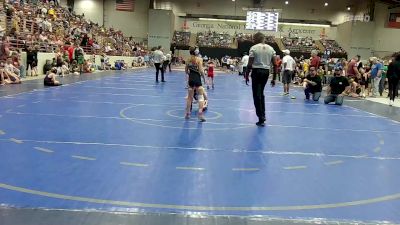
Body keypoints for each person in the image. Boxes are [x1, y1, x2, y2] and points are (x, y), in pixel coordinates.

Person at [245, 32, 276, 126]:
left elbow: (250, 64)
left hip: (256, 71)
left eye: (254, 38)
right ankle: (263, 114)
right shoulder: (271, 48)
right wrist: (274, 78)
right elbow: (275, 64)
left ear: (257, 39)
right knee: (261, 93)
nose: (253, 40)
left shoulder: (254, 48)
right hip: (266, 72)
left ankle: (261, 117)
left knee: (256, 95)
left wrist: (246, 75)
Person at [185, 47, 207, 122]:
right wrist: (204, 78)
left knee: (189, 98)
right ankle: (200, 114)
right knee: (201, 97)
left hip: (190, 79)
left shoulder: (188, 60)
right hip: (197, 79)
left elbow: (186, 71)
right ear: (196, 52)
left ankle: (188, 113)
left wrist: (191, 74)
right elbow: (201, 70)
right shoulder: (199, 59)